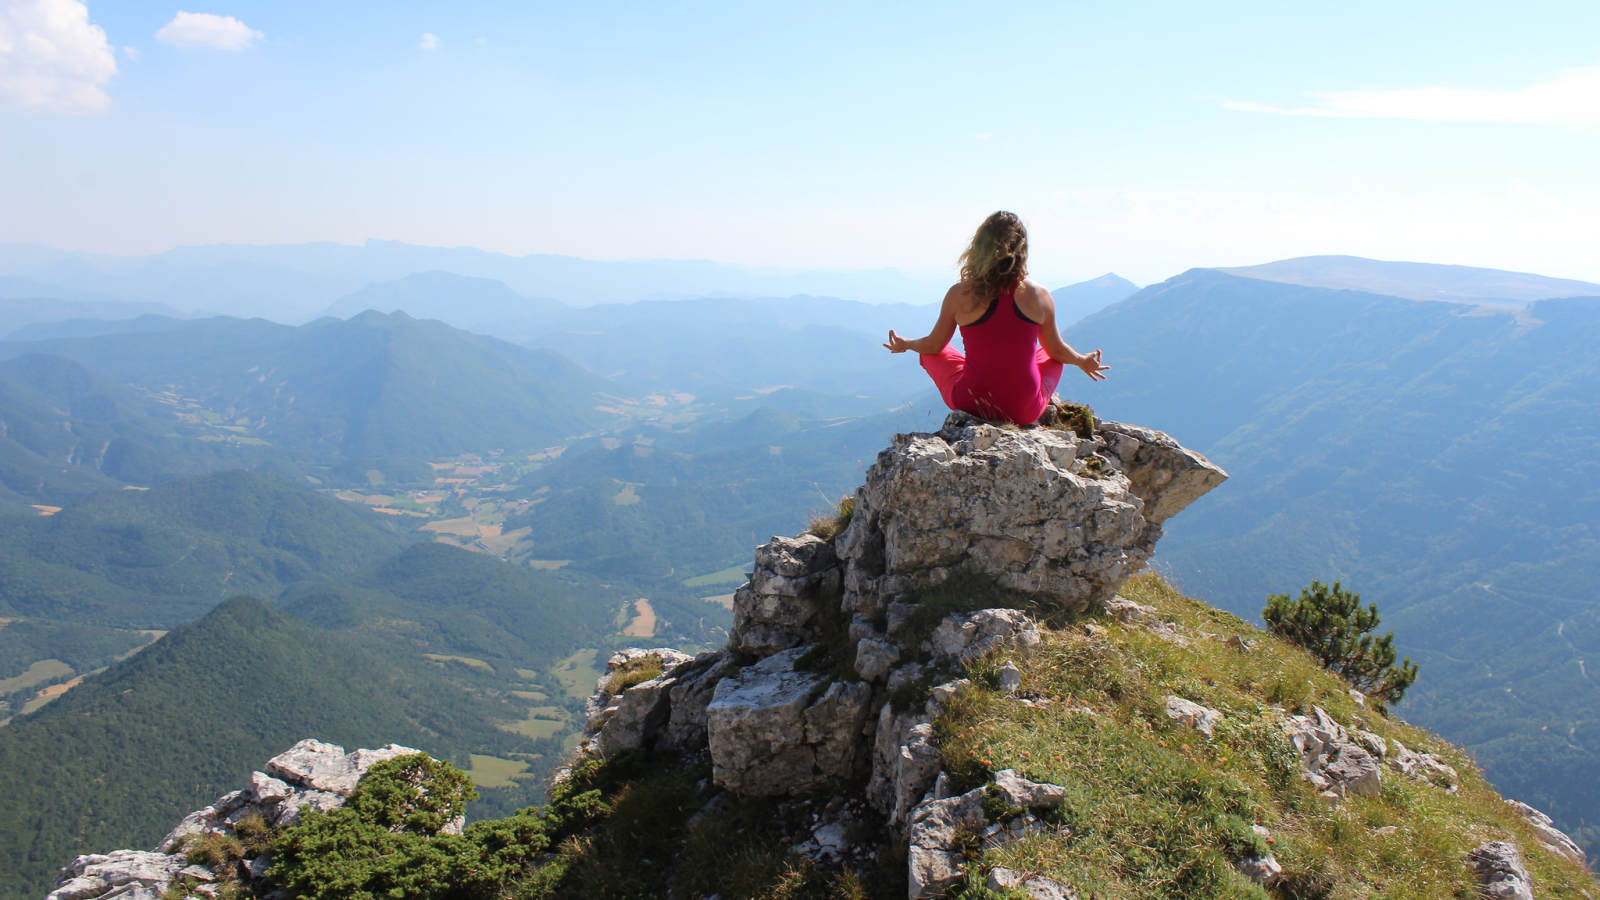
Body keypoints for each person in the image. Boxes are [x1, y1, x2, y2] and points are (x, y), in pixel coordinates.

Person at [884, 211, 1110, 426]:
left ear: (979, 247)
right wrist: (1082, 361)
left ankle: (977, 373)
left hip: (972, 403)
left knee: (931, 352)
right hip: (1023, 412)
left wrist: (907, 344)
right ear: (1022, 250)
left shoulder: (959, 294)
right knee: (1051, 356)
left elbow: (933, 345)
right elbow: (1057, 351)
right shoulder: (1039, 295)